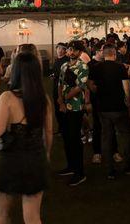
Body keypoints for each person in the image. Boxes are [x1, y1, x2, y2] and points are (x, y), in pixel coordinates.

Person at [0, 52, 53, 224]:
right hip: (35, 158)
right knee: (33, 217)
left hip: (11, 159)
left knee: (3, 215)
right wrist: (47, 154)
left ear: (15, 71)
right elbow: (48, 133)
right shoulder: (44, 100)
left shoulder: (7, 98)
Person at [89, 43, 130, 179]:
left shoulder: (96, 67)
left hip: (102, 107)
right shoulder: (119, 67)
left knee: (106, 137)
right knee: (127, 135)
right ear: (114, 53)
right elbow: (126, 88)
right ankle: (128, 164)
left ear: (104, 53)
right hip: (119, 107)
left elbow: (89, 83)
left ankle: (109, 169)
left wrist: (96, 91)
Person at [57, 40, 89, 186]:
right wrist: (61, 101)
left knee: (75, 138)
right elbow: (60, 84)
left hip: (76, 107)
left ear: (80, 52)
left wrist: (65, 99)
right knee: (66, 137)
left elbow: (79, 87)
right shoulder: (64, 66)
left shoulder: (83, 66)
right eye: (69, 49)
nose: (71, 52)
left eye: (74, 50)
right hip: (64, 107)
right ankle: (70, 166)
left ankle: (79, 172)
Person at [51, 43, 69, 134]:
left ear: (65, 50)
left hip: (63, 88)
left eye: (62, 49)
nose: (60, 50)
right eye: (58, 48)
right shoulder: (57, 60)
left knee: (63, 108)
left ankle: (65, 128)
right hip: (55, 87)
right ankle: (60, 128)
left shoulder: (66, 61)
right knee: (57, 109)